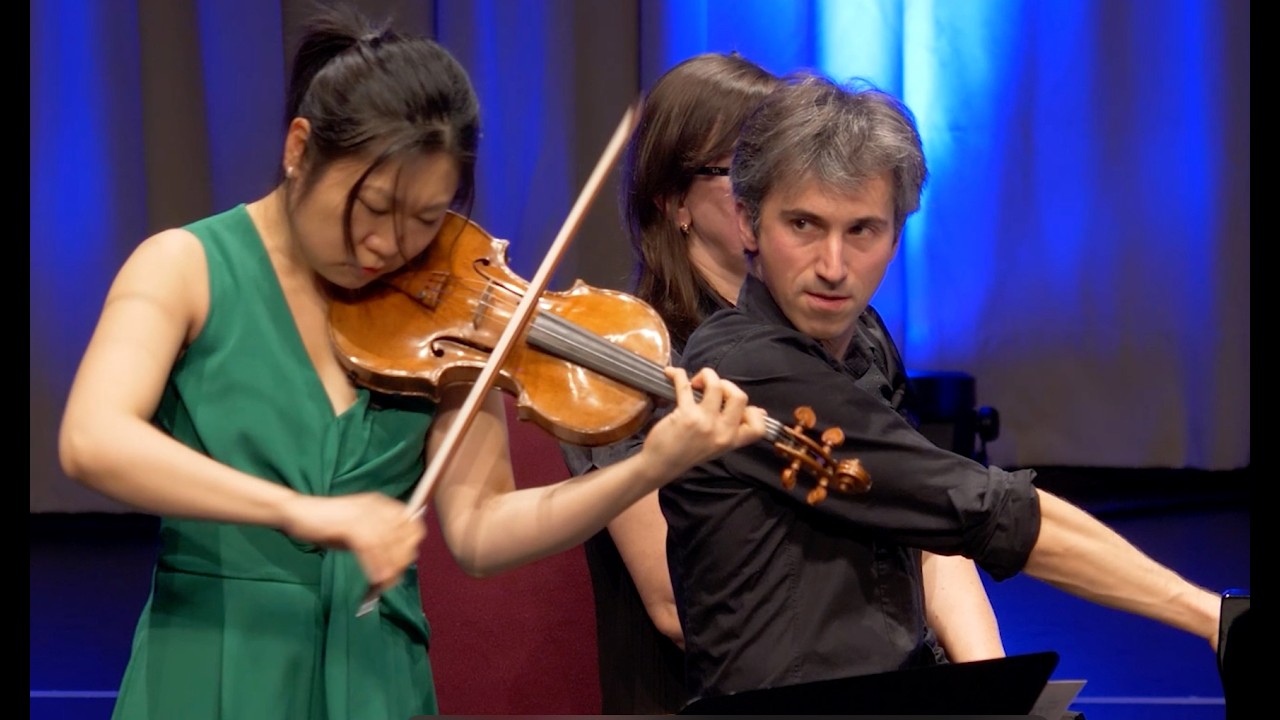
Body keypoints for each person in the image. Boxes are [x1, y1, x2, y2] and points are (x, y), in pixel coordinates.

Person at [55, 7, 767, 720]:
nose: (388, 246)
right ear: (299, 149)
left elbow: (484, 532)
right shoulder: (185, 267)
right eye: (374, 207)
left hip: (376, 678)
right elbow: (94, 441)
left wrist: (646, 466)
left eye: (427, 219)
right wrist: (303, 512)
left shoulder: (450, 311)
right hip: (213, 661)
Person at [660, 70, 1230, 707]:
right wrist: (1208, 617)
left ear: (897, 233)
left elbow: (930, 522)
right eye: (803, 225)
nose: (833, 266)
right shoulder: (745, 362)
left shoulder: (866, 337)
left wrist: (995, 688)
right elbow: (979, 507)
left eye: (862, 231)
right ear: (747, 222)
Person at [561, 53, 1003, 714]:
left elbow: (931, 527)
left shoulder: (854, 332)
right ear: (673, 199)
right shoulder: (632, 360)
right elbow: (675, 603)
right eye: (744, 166)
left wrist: (990, 689)